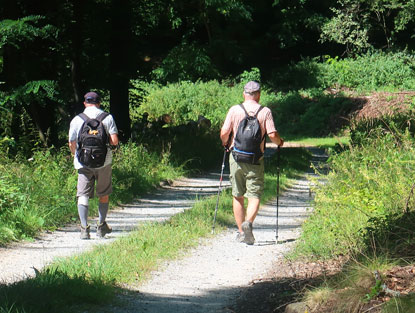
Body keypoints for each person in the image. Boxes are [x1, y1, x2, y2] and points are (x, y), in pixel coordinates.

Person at [220, 81, 284, 245]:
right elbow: (272, 134)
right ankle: (248, 222)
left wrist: (225, 144)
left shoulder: (235, 110)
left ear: (244, 94)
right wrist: (280, 143)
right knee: (254, 195)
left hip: (236, 158)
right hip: (256, 159)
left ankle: (242, 232)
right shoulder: (265, 112)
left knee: (237, 194)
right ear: (259, 94)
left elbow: (225, 132)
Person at [68, 91, 119, 239]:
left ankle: (84, 228)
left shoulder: (77, 119)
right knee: (103, 194)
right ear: (99, 102)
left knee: (83, 194)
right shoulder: (107, 117)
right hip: (104, 162)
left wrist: (74, 155)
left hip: (83, 163)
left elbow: (72, 142)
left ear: (85, 103)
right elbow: (114, 141)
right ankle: (101, 226)